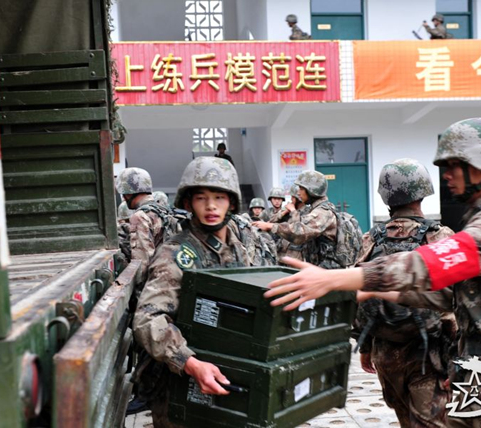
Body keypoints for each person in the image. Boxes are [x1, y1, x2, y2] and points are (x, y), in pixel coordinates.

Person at [265, 118, 481, 427]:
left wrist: (335, 278)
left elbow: (426, 265)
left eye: (454, 165)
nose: (446, 175)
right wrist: (376, 290)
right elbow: (449, 295)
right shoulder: (480, 221)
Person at [133, 157, 275, 428]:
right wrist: (189, 362)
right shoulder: (176, 253)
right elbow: (148, 319)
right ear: (188, 204)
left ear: (231, 203)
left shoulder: (238, 248)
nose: (211, 206)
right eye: (201, 198)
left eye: (219, 197)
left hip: (227, 379)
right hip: (182, 389)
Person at [352, 158, 456, 428]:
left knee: (405, 421)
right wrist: (458, 361)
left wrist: (365, 347)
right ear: (423, 192)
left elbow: (360, 294)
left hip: (385, 352)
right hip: (429, 355)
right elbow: (456, 302)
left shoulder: (371, 238)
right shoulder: (439, 236)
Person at [253, 170, 339, 268]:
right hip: (318, 268)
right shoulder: (316, 209)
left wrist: (271, 226)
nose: (298, 192)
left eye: (301, 188)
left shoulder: (322, 213)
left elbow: (299, 232)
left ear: (311, 191)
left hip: (326, 270)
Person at [116, 167, 176, 284]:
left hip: (156, 283)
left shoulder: (140, 217)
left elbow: (141, 264)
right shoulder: (163, 211)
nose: (123, 197)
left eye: (124, 194)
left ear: (129, 193)